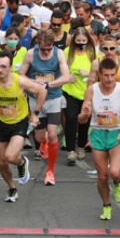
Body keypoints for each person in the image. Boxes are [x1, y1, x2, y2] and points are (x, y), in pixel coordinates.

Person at [0, 51, 46, 202]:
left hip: (19, 122)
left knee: (10, 156)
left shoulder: (20, 82)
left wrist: (35, 113)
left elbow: (42, 91)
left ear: (10, 67)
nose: (0, 70)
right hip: (1, 123)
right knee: (2, 161)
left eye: (4, 67)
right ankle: (12, 188)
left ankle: (22, 162)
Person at [78, 57, 120, 220]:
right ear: (99, 75)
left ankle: (118, 183)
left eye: (112, 75)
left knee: (115, 172)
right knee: (102, 176)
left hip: (117, 132)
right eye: (106, 76)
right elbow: (81, 119)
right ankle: (106, 205)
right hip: (98, 133)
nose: (109, 79)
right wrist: (85, 114)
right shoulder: (91, 90)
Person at [19, 29, 71, 185]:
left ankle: (50, 171)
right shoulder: (30, 54)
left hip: (53, 98)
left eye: (49, 49)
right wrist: (33, 85)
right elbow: (20, 74)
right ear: (38, 45)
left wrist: (48, 84)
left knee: (53, 134)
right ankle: (42, 143)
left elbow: (66, 77)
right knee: (40, 136)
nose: (47, 52)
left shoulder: (59, 53)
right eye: (43, 49)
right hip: (35, 99)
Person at [62, 28, 94, 165]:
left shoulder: (93, 53)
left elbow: (99, 72)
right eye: (78, 41)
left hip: (87, 92)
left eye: (84, 41)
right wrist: (67, 76)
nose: (81, 43)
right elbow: (60, 69)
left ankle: (81, 147)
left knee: (84, 120)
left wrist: (89, 74)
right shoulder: (67, 52)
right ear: (74, 40)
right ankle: (70, 151)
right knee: (70, 119)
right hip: (70, 90)